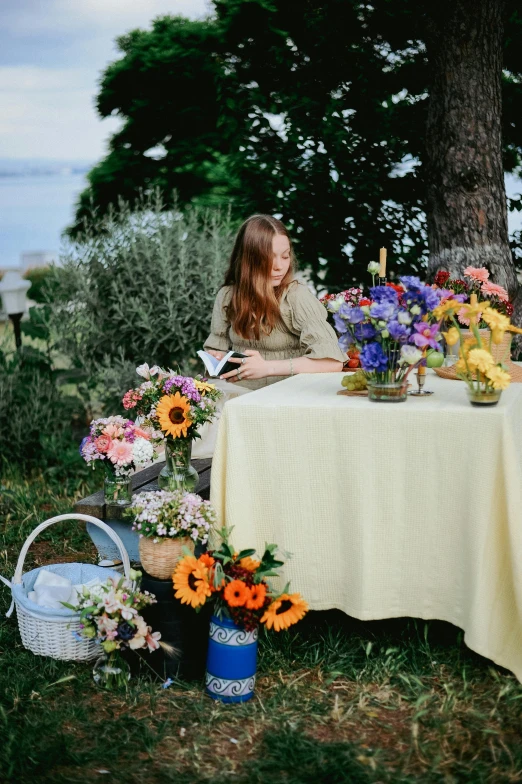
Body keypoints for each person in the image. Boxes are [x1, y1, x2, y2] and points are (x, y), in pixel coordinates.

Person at [204, 214, 345, 391]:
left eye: (285, 257)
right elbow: (214, 360)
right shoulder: (227, 296)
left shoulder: (296, 296)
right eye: (269, 258)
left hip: (285, 399)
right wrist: (217, 359)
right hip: (239, 399)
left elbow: (332, 363)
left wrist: (267, 368)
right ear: (249, 260)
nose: (279, 266)